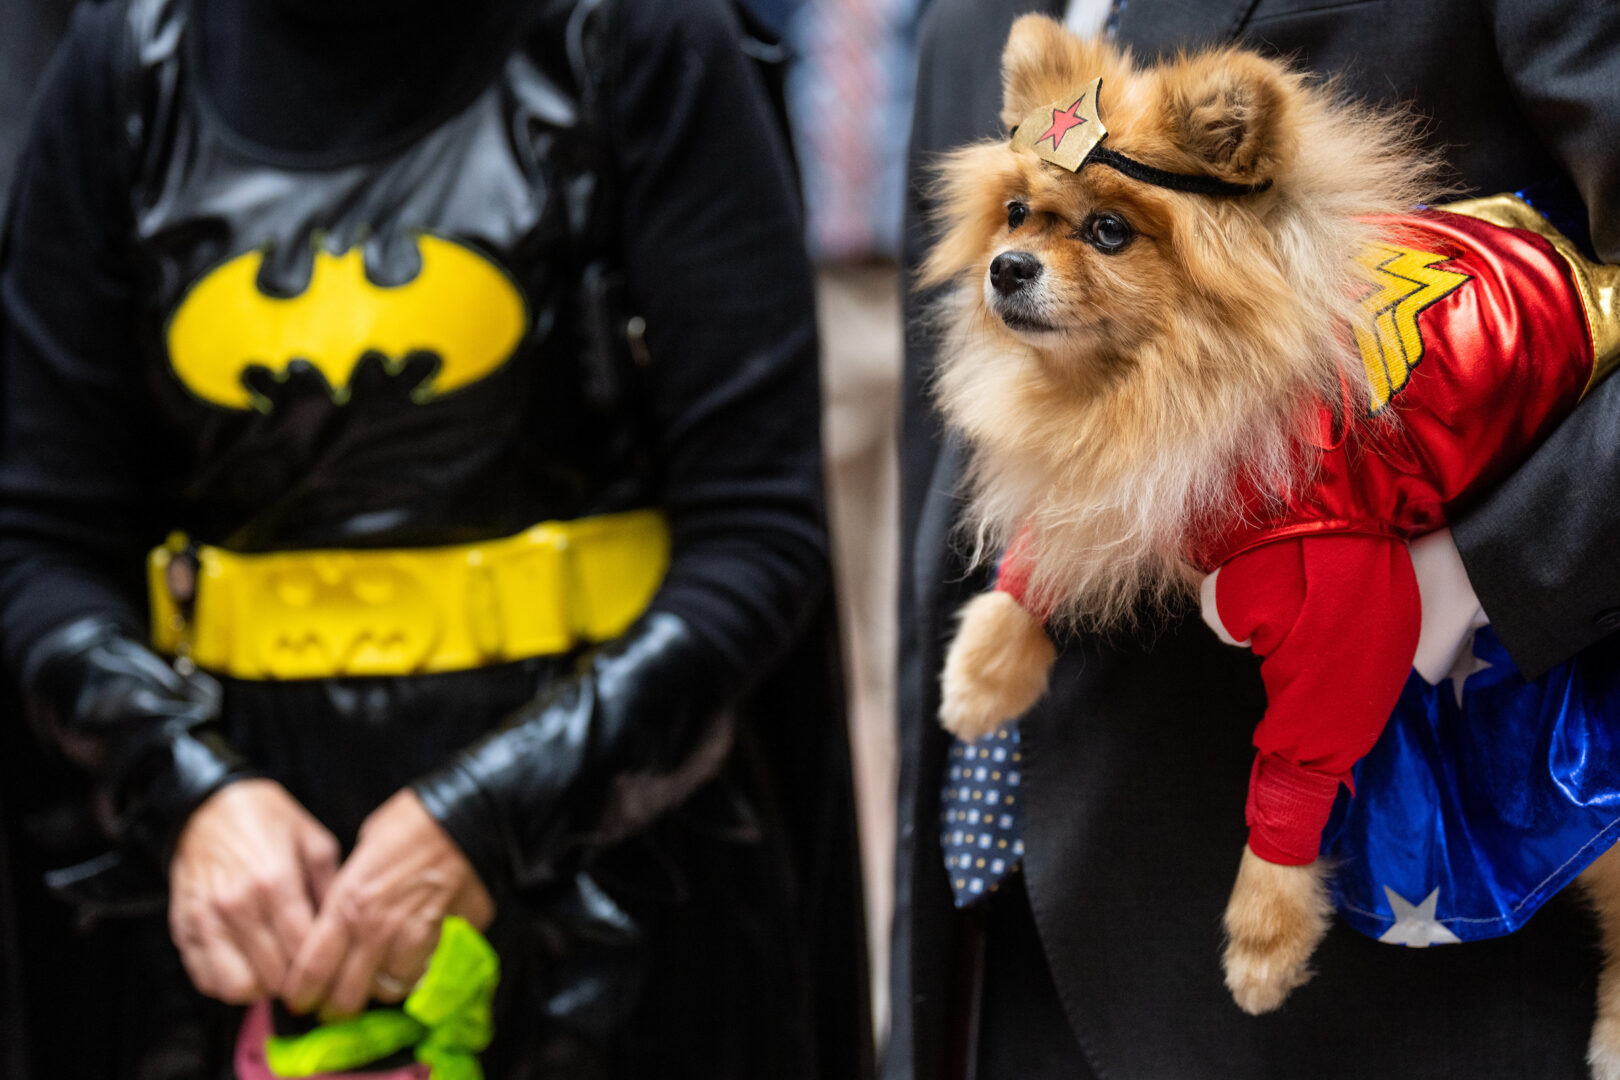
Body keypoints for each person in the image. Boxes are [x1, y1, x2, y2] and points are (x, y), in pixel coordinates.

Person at [0, 0, 871, 1076]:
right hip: (244, 905)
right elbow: (40, 538)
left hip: (617, 896)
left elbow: (758, 533)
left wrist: (490, 818)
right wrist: (186, 792)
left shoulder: (636, 37)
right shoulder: (127, 64)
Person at [893, 1, 1620, 1077]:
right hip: (994, 930)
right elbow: (962, 439)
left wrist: (1460, 583)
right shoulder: (967, 30)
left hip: (1386, 985)